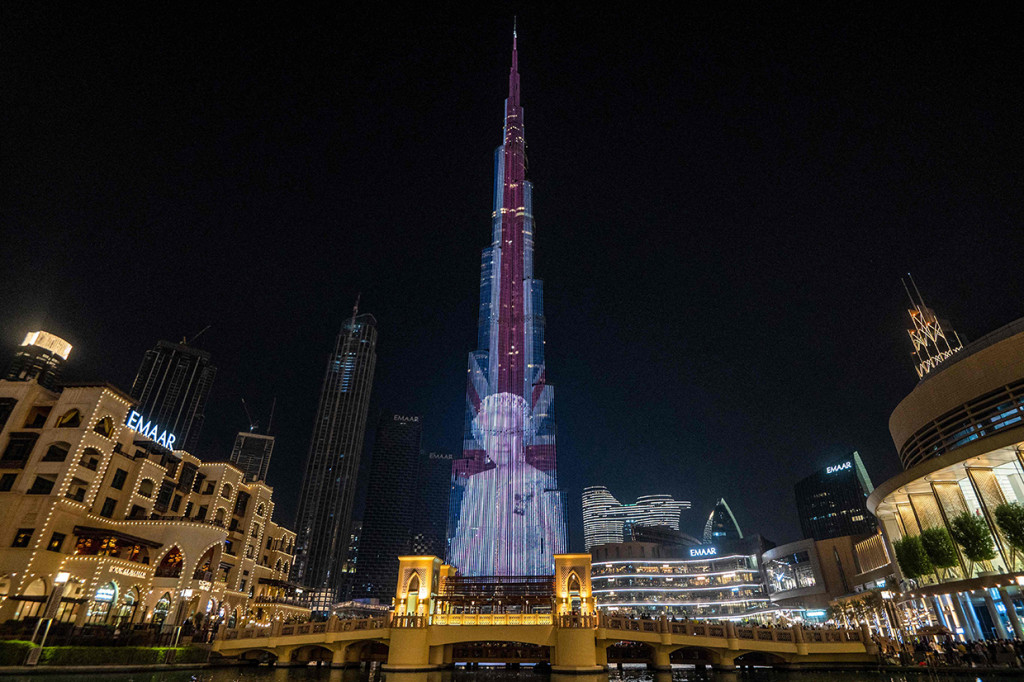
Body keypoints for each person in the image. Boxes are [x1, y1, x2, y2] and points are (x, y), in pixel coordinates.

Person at [449, 392, 564, 575]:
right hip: (481, 583)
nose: (502, 442)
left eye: (510, 433)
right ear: (483, 438)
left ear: (523, 437)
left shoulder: (541, 482)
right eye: (494, 433)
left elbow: (556, 543)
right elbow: (464, 538)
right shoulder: (476, 483)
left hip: (529, 582)